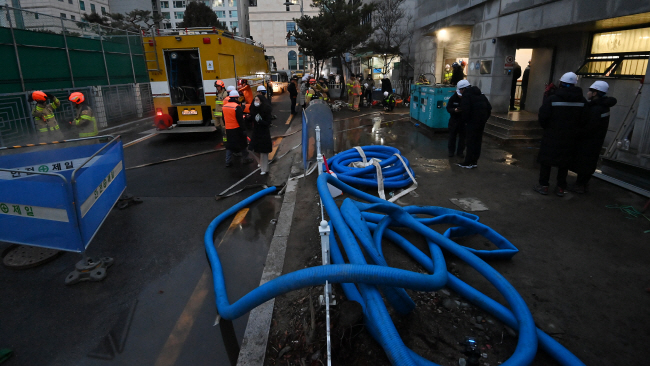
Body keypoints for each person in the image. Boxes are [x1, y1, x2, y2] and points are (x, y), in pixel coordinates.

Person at [534, 72, 587, 197]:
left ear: (560, 84)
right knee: (564, 164)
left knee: (546, 162)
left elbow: (543, 116)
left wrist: (548, 128)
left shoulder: (552, 99)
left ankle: (544, 186)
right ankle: (561, 188)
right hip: (571, 138)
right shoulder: (582, 101)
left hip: (552, 136)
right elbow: (585, 120)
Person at [570, 81, 617, 193]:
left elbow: (589, 127)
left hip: (589, 141)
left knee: (585, 163)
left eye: (590, 91)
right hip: (596, 140)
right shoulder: (603, 106)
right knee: (590, 162)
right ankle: (583, 184)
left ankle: (580, 185)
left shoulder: (596, 109)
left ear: (595, 93)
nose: (588, 93)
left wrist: (577, 133)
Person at [457, 80, 492, 169]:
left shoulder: (466, 96)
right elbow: (489, 107)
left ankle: (468, 162)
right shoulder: (481, 94)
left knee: (470, 142)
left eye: (460, 90)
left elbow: (466, 110)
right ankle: (474, 161)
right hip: (481, 122)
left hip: (472, 123)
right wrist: (484, 119)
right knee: (477, 141)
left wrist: (465, 121)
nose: (460, 92)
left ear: (463, 88)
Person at [222, 90, 253, 167]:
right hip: (237, 128)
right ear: (236, 98)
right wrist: (243, 130)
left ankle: (227, 161)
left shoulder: (224, 107)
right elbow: (240, 120)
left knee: (230, 145)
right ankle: (245, 158)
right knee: (243, 144)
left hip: (229, 129)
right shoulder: (236, 107)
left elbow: (223, 118)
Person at [247, 94, 273, 175]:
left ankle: (264, 169)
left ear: (261, 101)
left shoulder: (266, 110)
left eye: (257, 100)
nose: (255, 102)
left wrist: (260, 121)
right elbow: (251, 118)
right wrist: (248, 118)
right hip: (256, 132)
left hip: (264, 133)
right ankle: (261, 163)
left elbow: (268, 123)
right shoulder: (254, 110)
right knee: (251, 148)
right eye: (255, 100)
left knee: (264, 152)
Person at [446, 85, 465, 158]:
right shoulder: (453, 98)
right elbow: (448, 108)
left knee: (462, 138)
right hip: (454, 120)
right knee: (452, 137)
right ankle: (451, 151)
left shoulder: (466, 98)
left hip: (463, 120)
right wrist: (454, 110)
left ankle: (460, 152)